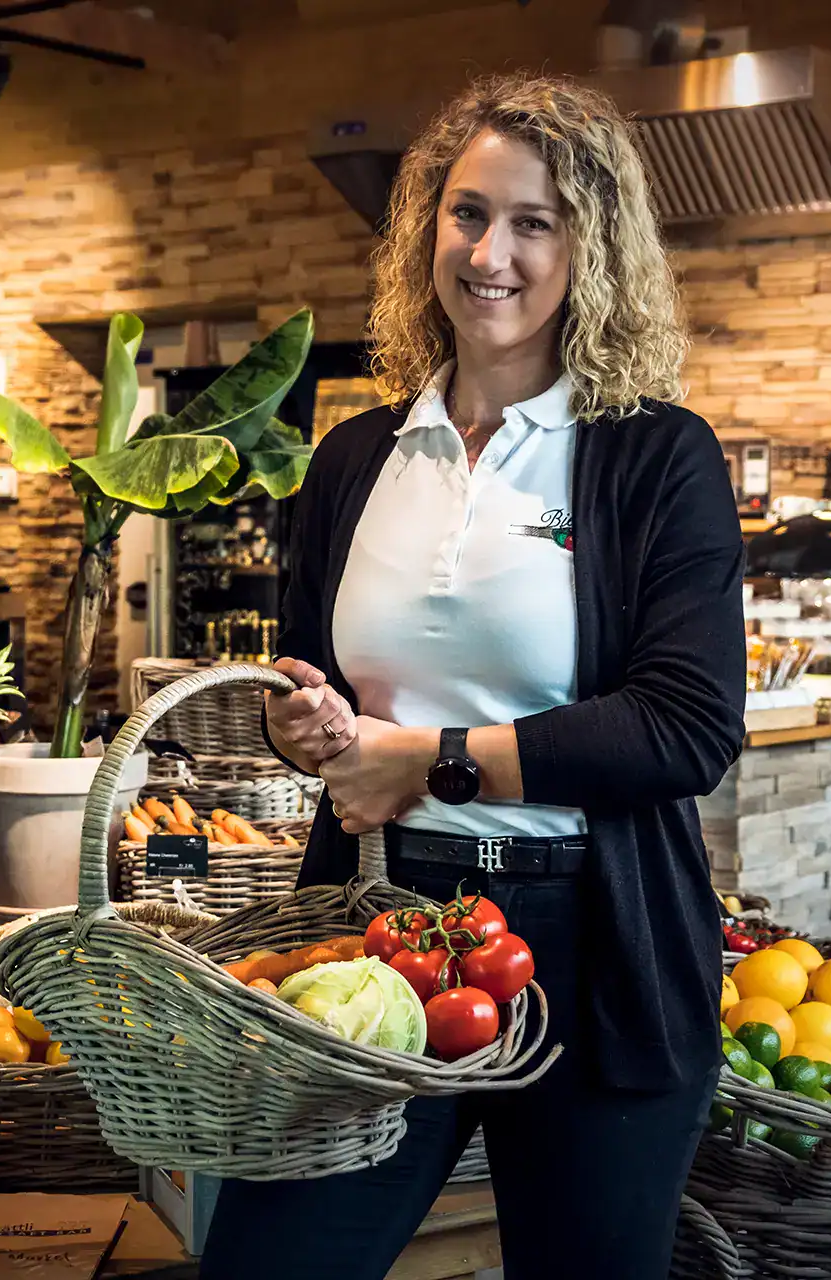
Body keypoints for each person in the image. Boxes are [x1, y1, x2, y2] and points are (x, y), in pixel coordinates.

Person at [197, 72, 746, 1280]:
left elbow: (688, 725)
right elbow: (311, 681)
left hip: (595, 945)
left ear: (590, 250)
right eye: (469, 213)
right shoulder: (356, 457)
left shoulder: (656, 454)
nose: (492, 254)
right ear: (427, 229)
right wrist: (311, 726)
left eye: (534, 222)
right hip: (375, 924)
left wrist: (429, 761)